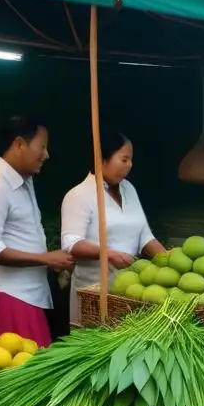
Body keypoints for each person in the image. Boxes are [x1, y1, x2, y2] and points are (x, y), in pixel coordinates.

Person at [0, 116, 74, 347]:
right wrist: (44, 258)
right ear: (19, 144)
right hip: (11, 297)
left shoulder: (24, 182)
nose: (46, 154)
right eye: (42, 146)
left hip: (29, 295)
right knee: (23, 372)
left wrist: (48, 261)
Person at [60, 131, 167, 326]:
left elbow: (144, 235)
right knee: (95, 346)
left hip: (130, 291)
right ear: (102, 159)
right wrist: (106, 253)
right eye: (124, 159)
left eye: (131, 160)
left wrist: (169, 261)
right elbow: (71, 243)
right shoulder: (79, 195)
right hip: (93, 292)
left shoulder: (129, 190)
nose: (130, 165)